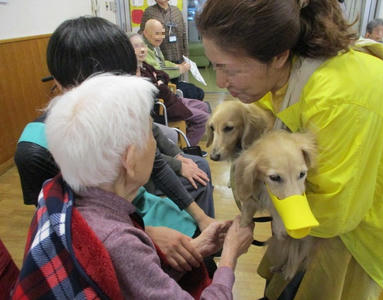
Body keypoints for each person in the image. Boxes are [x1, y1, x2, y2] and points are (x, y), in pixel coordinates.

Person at [197, 0, 383, 299]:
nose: (223, 83)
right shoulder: (285, 76)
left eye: (230, 69)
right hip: (313, 232)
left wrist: (252, 188)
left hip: (363, 237)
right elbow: (266, 125)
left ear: (278, 55)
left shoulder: (339, 95)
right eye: (215, 67)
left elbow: (334, 212)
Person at [13, 74, 255, 299]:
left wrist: (199, 247)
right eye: (151, 135)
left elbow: (134, 280)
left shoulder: (61, 196)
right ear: (128, 159)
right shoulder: (118, 241)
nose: (157, 147)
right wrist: (229, 258)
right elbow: (129, 261)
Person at [14, 16, 211, 271]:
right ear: (63, 85)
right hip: (106, 242)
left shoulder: (124, 109)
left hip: (136, 211)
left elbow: (157, 165)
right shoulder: (36, 148)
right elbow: (60, 225)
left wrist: (201, 217)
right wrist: (146, 234)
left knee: (201, 254)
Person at [130, 33, 209, 146]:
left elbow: (164, 76)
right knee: (203, 118)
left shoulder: (145, 65)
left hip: (172, 100)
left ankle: (187, 139)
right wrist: (160, 83)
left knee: (203, 106)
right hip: (165, 108)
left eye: (143, 45)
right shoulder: (133, 71)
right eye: (136, 46)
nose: (142, 49)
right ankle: (188, 149)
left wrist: (159, 82)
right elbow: (156, 91)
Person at [142, 19, 205, 101]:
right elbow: (158, 70)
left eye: (162, 33)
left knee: (196, 91)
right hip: (158, 88)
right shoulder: (144, 49)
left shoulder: (154, 46)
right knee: (198, 93)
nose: (160, 37)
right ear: (146, 33)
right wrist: (180, 69)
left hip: (163, 83)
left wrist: (178, 66)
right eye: (157, 33)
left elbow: (162, 63)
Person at [139, 0, 187, 64]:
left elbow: (183, 33)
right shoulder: (149, 12)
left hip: (179, 56)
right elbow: (142, 35)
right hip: (159, 58)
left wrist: (186, 55)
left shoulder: (176, 11)